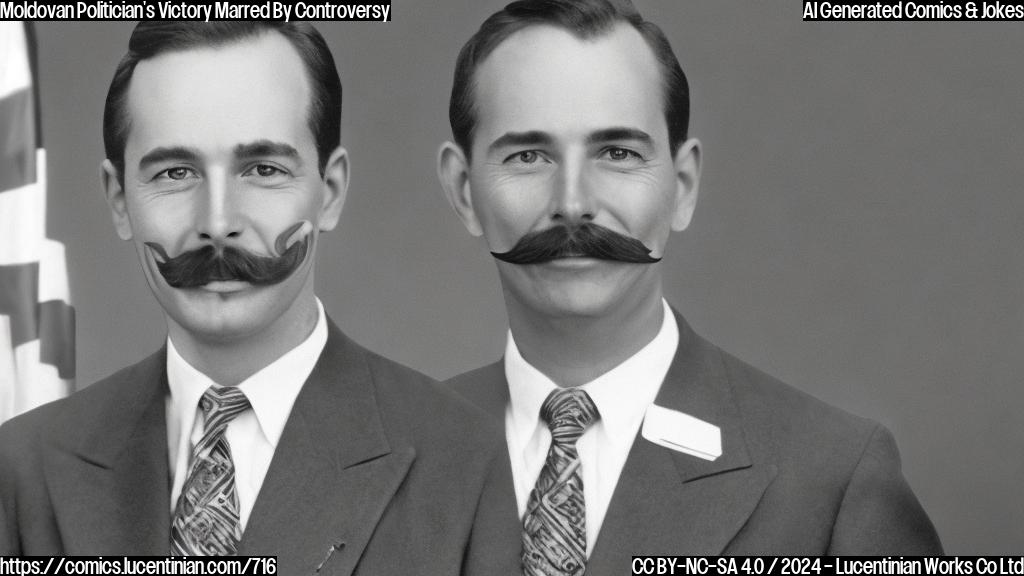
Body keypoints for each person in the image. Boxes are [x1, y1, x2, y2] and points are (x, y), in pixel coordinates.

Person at [436, 0, 943, 570]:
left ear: (682, 185)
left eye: (618, 153)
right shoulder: (395, 456)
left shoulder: (833, 479)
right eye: (528, 156)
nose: (573, 204)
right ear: (463, 190)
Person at [0, 22, 518, 574]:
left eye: (263, 170)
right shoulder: (24, 466)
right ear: (119, 200)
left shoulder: (470, 461)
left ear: (330, 191)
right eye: (175, 172)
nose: (218, 222)